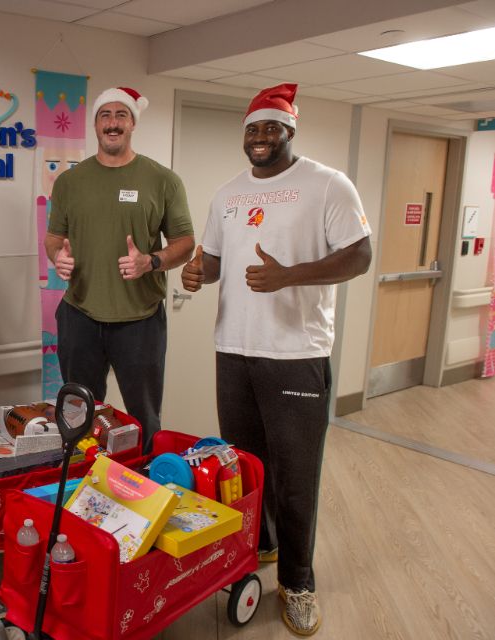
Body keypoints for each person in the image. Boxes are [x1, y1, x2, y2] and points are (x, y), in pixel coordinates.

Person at [181, 83, 372, 636]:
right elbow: (213, 261)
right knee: (244, 465)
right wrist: (197, 273)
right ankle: (259, 548)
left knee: (294, 477)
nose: (261, 138)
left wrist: (288, 275)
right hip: (234, 350)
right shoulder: (228, 194)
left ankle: (299, 581)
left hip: (296, 354)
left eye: (272, 129)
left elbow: (359, 255)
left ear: (290, 133)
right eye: (253, 129)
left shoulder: (327, 184)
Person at [44, 86, 195, 451]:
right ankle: (82, 487)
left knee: (144, 417)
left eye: (121, 115)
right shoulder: (69, 181)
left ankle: (143, 493)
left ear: (132, 124)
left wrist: (152, 261)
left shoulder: (162, 179)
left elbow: (185, 243)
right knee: (79, 412)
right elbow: (54, 237)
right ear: (96, 124)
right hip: (80, 315)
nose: (113, 124)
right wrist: (56, 257)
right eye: (105, 116)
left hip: (139, 321)